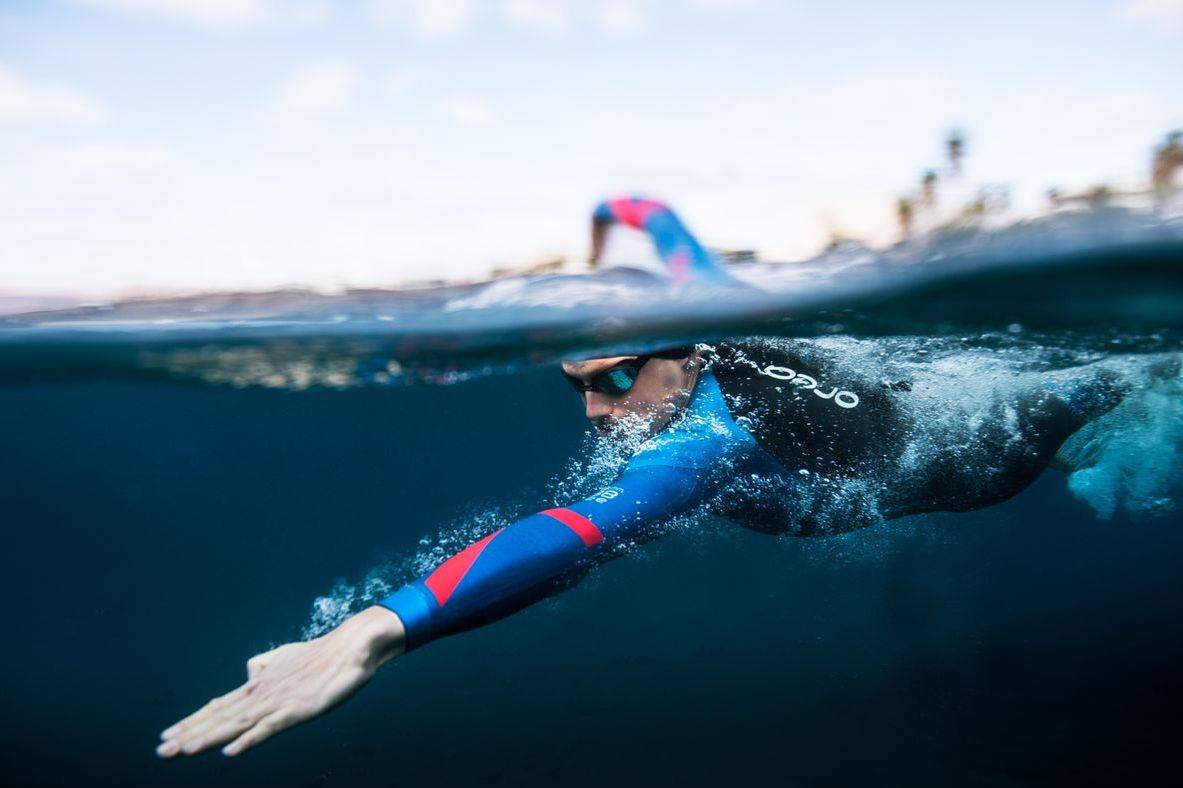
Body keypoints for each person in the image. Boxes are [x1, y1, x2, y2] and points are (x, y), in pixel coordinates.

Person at [156, 199, 1142, 759]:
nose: (595, 410)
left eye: (618, 378)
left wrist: (381, 626)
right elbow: (655, 218)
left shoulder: (707, 440)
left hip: (976, 447)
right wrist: (609, 224)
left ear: (690, 354)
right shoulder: (716, 303)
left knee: (1102, 383)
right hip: (891, 380)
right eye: (577, 384)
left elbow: (581, 528)